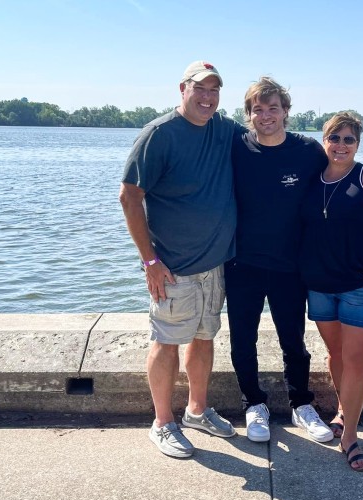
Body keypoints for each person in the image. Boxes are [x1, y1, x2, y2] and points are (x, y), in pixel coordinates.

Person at [119, 60, 243, 459]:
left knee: (205, 337)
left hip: (215, 264)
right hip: (171, 268)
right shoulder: (159, 134)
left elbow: (272, 140)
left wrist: (343, 166)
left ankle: (197, 410)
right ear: (182, 89)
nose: (208, 98)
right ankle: (162, 423)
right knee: (167, 341)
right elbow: (129, 197)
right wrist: (150, 262)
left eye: (214, 90)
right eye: (200, 89)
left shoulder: (224, 129)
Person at [227, 77, 334, 444]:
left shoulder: (307, 151)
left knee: (293, 339)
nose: (266, 115)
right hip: (243, 264)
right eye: (258, 109)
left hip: (290, 265)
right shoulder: (236, 148)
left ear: (286, 112)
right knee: (243, 339)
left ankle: (301, 404)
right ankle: (253, 404)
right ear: (249, 114)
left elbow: (338, 175)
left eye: (273, 108)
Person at [299, 111, 363, 472]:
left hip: (360, 287)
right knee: (335, 353)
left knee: (357, 361)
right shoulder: (311, 178)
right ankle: (342, 410)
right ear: (324, 140)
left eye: (349, 139)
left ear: (358, 143)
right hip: (320, 285)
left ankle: (350, 436)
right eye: (334, 137)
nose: (341, 145)